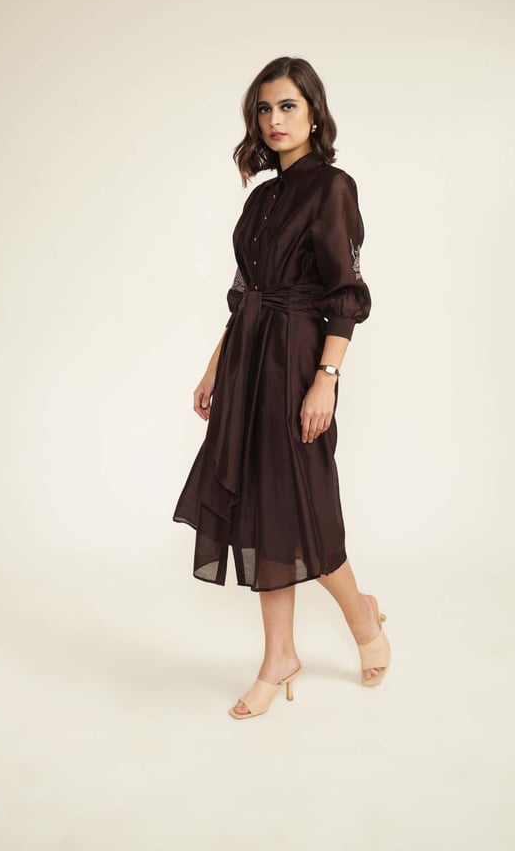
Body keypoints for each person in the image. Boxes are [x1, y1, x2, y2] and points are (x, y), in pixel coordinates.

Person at [172, 56, 391, 719]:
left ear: (314, 113)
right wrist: (215, 368)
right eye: (264, 109)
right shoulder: (261, 199)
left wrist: (326, 379)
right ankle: (279, 656)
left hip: (297, 359)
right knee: (262, 508)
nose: (274, 119)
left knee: (305, 506)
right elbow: (246, 296)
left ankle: (362, 618)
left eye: (288, 106)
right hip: (248, 359)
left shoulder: (333, 187)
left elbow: (345, 294)